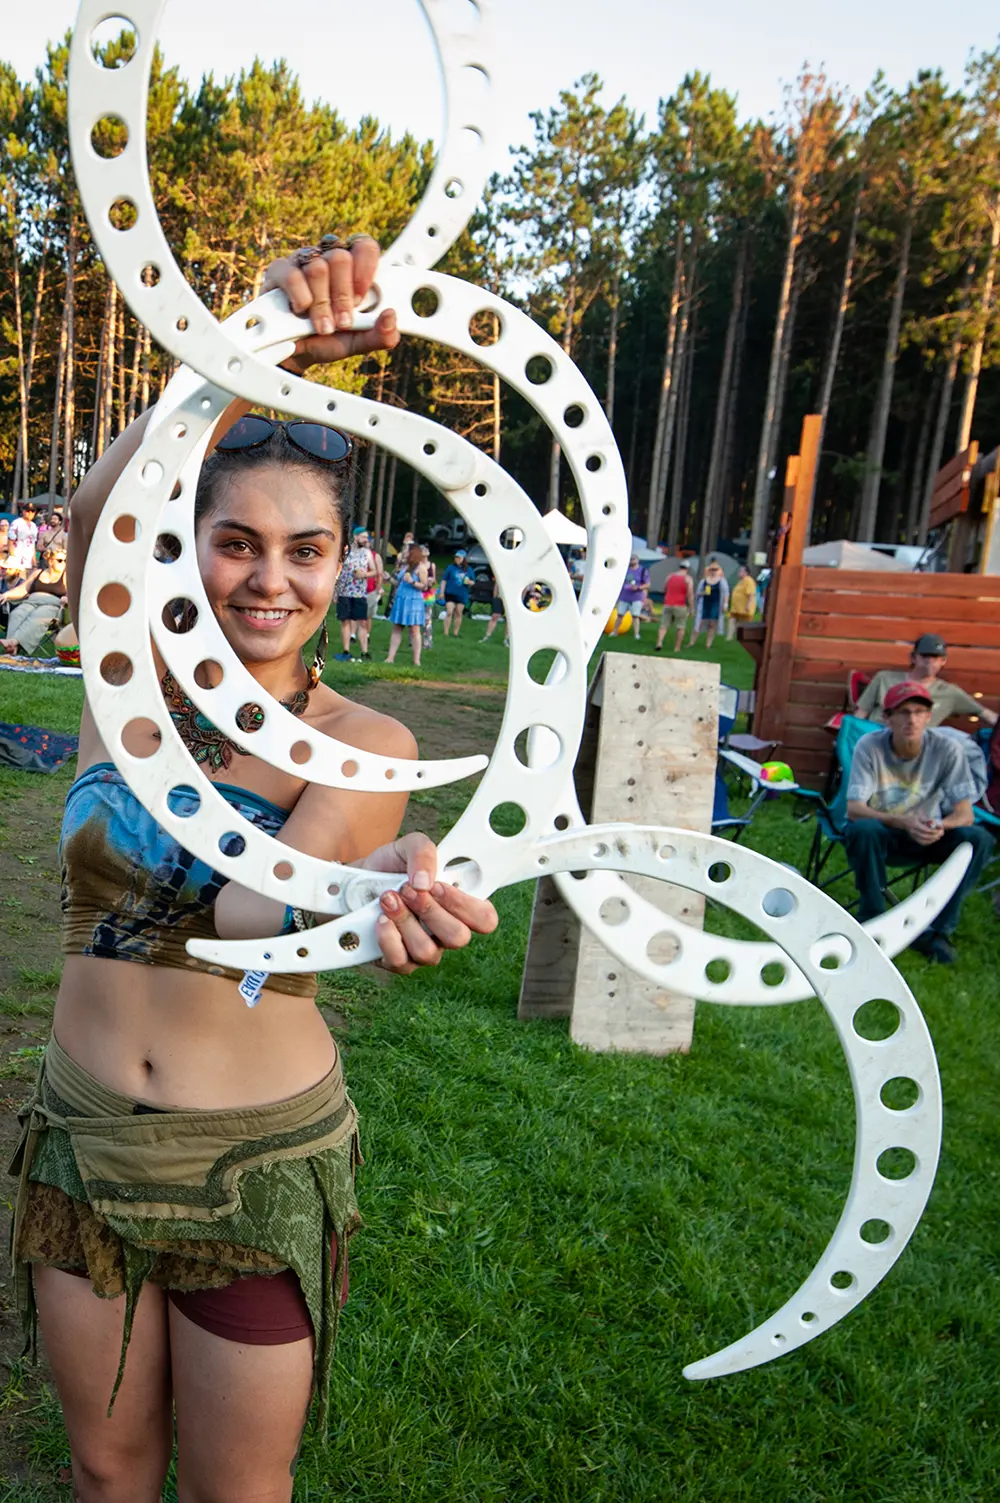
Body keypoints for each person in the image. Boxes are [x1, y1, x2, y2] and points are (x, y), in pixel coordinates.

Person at [10, 238, 498, 1503]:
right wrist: (252, 346)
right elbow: (93, 517)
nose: (268, 579)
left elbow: (245, 907)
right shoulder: (131, 689)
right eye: (236, 543)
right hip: (82, 1130)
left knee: (238, 1493)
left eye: (306, 551)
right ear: (192, 549)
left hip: (250, 1162)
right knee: (104, 1476)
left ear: (342, 569)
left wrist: (377, 882)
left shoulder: (368, 743)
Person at [844, 679, 994, 963]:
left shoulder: (948, 749)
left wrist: (941, 826)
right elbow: (854, 809)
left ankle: (939, 931)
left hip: (929, 834)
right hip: (884, 833)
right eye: (903, 712)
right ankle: (871, 920)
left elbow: (965, 814)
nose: (911, 719)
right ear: (886, 718)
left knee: (979, 839)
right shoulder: (870, 746)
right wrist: (902, 822)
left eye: (918, 711)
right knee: (862, 829)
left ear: (929, 715)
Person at [856, 633, 997, 728]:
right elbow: (860, 714)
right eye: (925, 656)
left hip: (917, 753)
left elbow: (985, 714)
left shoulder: (949, 692)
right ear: (913, 658)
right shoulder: (885, 678)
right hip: (875, 740)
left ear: (944, 661)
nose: (930, 662)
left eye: (936, 658)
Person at [0, 539, 68, 654]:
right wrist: (6, 594)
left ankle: (12, 642)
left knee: (38, 616)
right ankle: (12, 648)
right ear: (50, 561)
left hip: (52, 605)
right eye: (60, 560)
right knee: (17, 614)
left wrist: (67, 598)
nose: (64, 563)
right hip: (30, 602)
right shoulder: (38, 572)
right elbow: (23, 589)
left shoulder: (66, 575)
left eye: (65, 560)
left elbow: (72, 592)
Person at [334, 524, 377, 661]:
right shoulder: (345, 551)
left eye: (366, 537)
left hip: (359, 593)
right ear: (355, 537)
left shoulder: (367, 553)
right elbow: (336, 570)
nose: (366, 539)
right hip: (344, 592)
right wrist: (335, 590)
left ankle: (365, 652)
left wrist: (365, 574)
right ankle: (346, 651)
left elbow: (375, 571)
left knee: (362, 622)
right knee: (345, 622)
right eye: (363, 536)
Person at [386, 542, 428, 666]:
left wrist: (413, 582)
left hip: (413, 601)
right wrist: (389, 579)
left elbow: (424, 586)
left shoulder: (421, 568)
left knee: (414, 630)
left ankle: (416, 660)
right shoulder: (404, 566)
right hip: (401, 599)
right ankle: (390, 657)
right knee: (397, 628)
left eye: (406, 550)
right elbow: (398, 583)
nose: (403, 552)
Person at [691, 557, 729, 650]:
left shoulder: (721, 581)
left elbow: (726, 593)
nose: (713, 571)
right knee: (699, 623)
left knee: (712, 624)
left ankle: (708, 644)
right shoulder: (704, 581)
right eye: (711, 569)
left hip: (715, 604)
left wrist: (725, 604)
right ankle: (692, 642)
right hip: (704, 604)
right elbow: (698, 593)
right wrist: (701, 593)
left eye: (715, 570)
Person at [655, 561, 693, 653]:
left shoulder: (670, 576)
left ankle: (659, 642)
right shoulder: (688, 579)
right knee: (680, 626)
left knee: (664, 625)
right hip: (680, 605)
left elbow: (665, 588)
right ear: (687, 569)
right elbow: (690, 594)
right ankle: (677, 647)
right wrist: (691, 607)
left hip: (668, 603)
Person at [617, 552, 650, 639]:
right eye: (630, 559)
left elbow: (647, 584)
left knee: (635, 615)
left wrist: (638, 587)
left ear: (637, 560)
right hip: (624, 596)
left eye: (633, 559)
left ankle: (636, 634)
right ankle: (614, 631)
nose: (632, 561)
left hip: (636, 597)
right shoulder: (625, 570)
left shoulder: (643, 571)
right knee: (620, 614)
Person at [441, 549, 474, 636]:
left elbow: (473, 581)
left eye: (459, 558)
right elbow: (444, 580)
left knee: (459, 613)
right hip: (450, 592)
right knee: (449, 612)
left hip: (462, 594)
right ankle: (446, 632)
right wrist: (441, 592)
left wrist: (469, 582)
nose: (457, 559)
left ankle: (455, 633)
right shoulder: (450, 568)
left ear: (464, 559)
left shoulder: (469, 569)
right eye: (456, 557)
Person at [726, 564, 757, 640]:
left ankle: (742, 638)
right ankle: (729, 638)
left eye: (741, 571)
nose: (739, 572)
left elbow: (751, 594)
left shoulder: (749, 581)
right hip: (736, 608)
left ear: (746, 572)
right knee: (732, 620)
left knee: (743, 624)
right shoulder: (740, 581)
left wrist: (748, 605)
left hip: (744, 608)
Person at [9, 501, 39, 571]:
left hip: (29, 561)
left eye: (32, 511)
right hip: (17, 559)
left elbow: (33, 544)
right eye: (28, 511)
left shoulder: (34, 526)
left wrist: (34, 562)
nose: (30, 513)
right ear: (23, 511)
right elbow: (10, 542)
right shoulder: (16, 523)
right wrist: (13, 559)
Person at [481, 571, 507, 645]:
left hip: (511, 600)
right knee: (495, 616)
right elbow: (497, 584)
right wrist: (495, 597)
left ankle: (506, 639)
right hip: (499, 597)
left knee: (508, 620)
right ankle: (487, 636)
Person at [420, 543, 437, 650]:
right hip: (418, 593)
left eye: (426, 550)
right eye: (423, 550)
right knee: (416, 619)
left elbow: (434, 579)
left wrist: (432, 581)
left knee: (427, 619)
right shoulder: (417, 565)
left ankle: (427, 642)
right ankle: (413, 641)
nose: (425, 552)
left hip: (427, 594)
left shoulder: (432, 565)